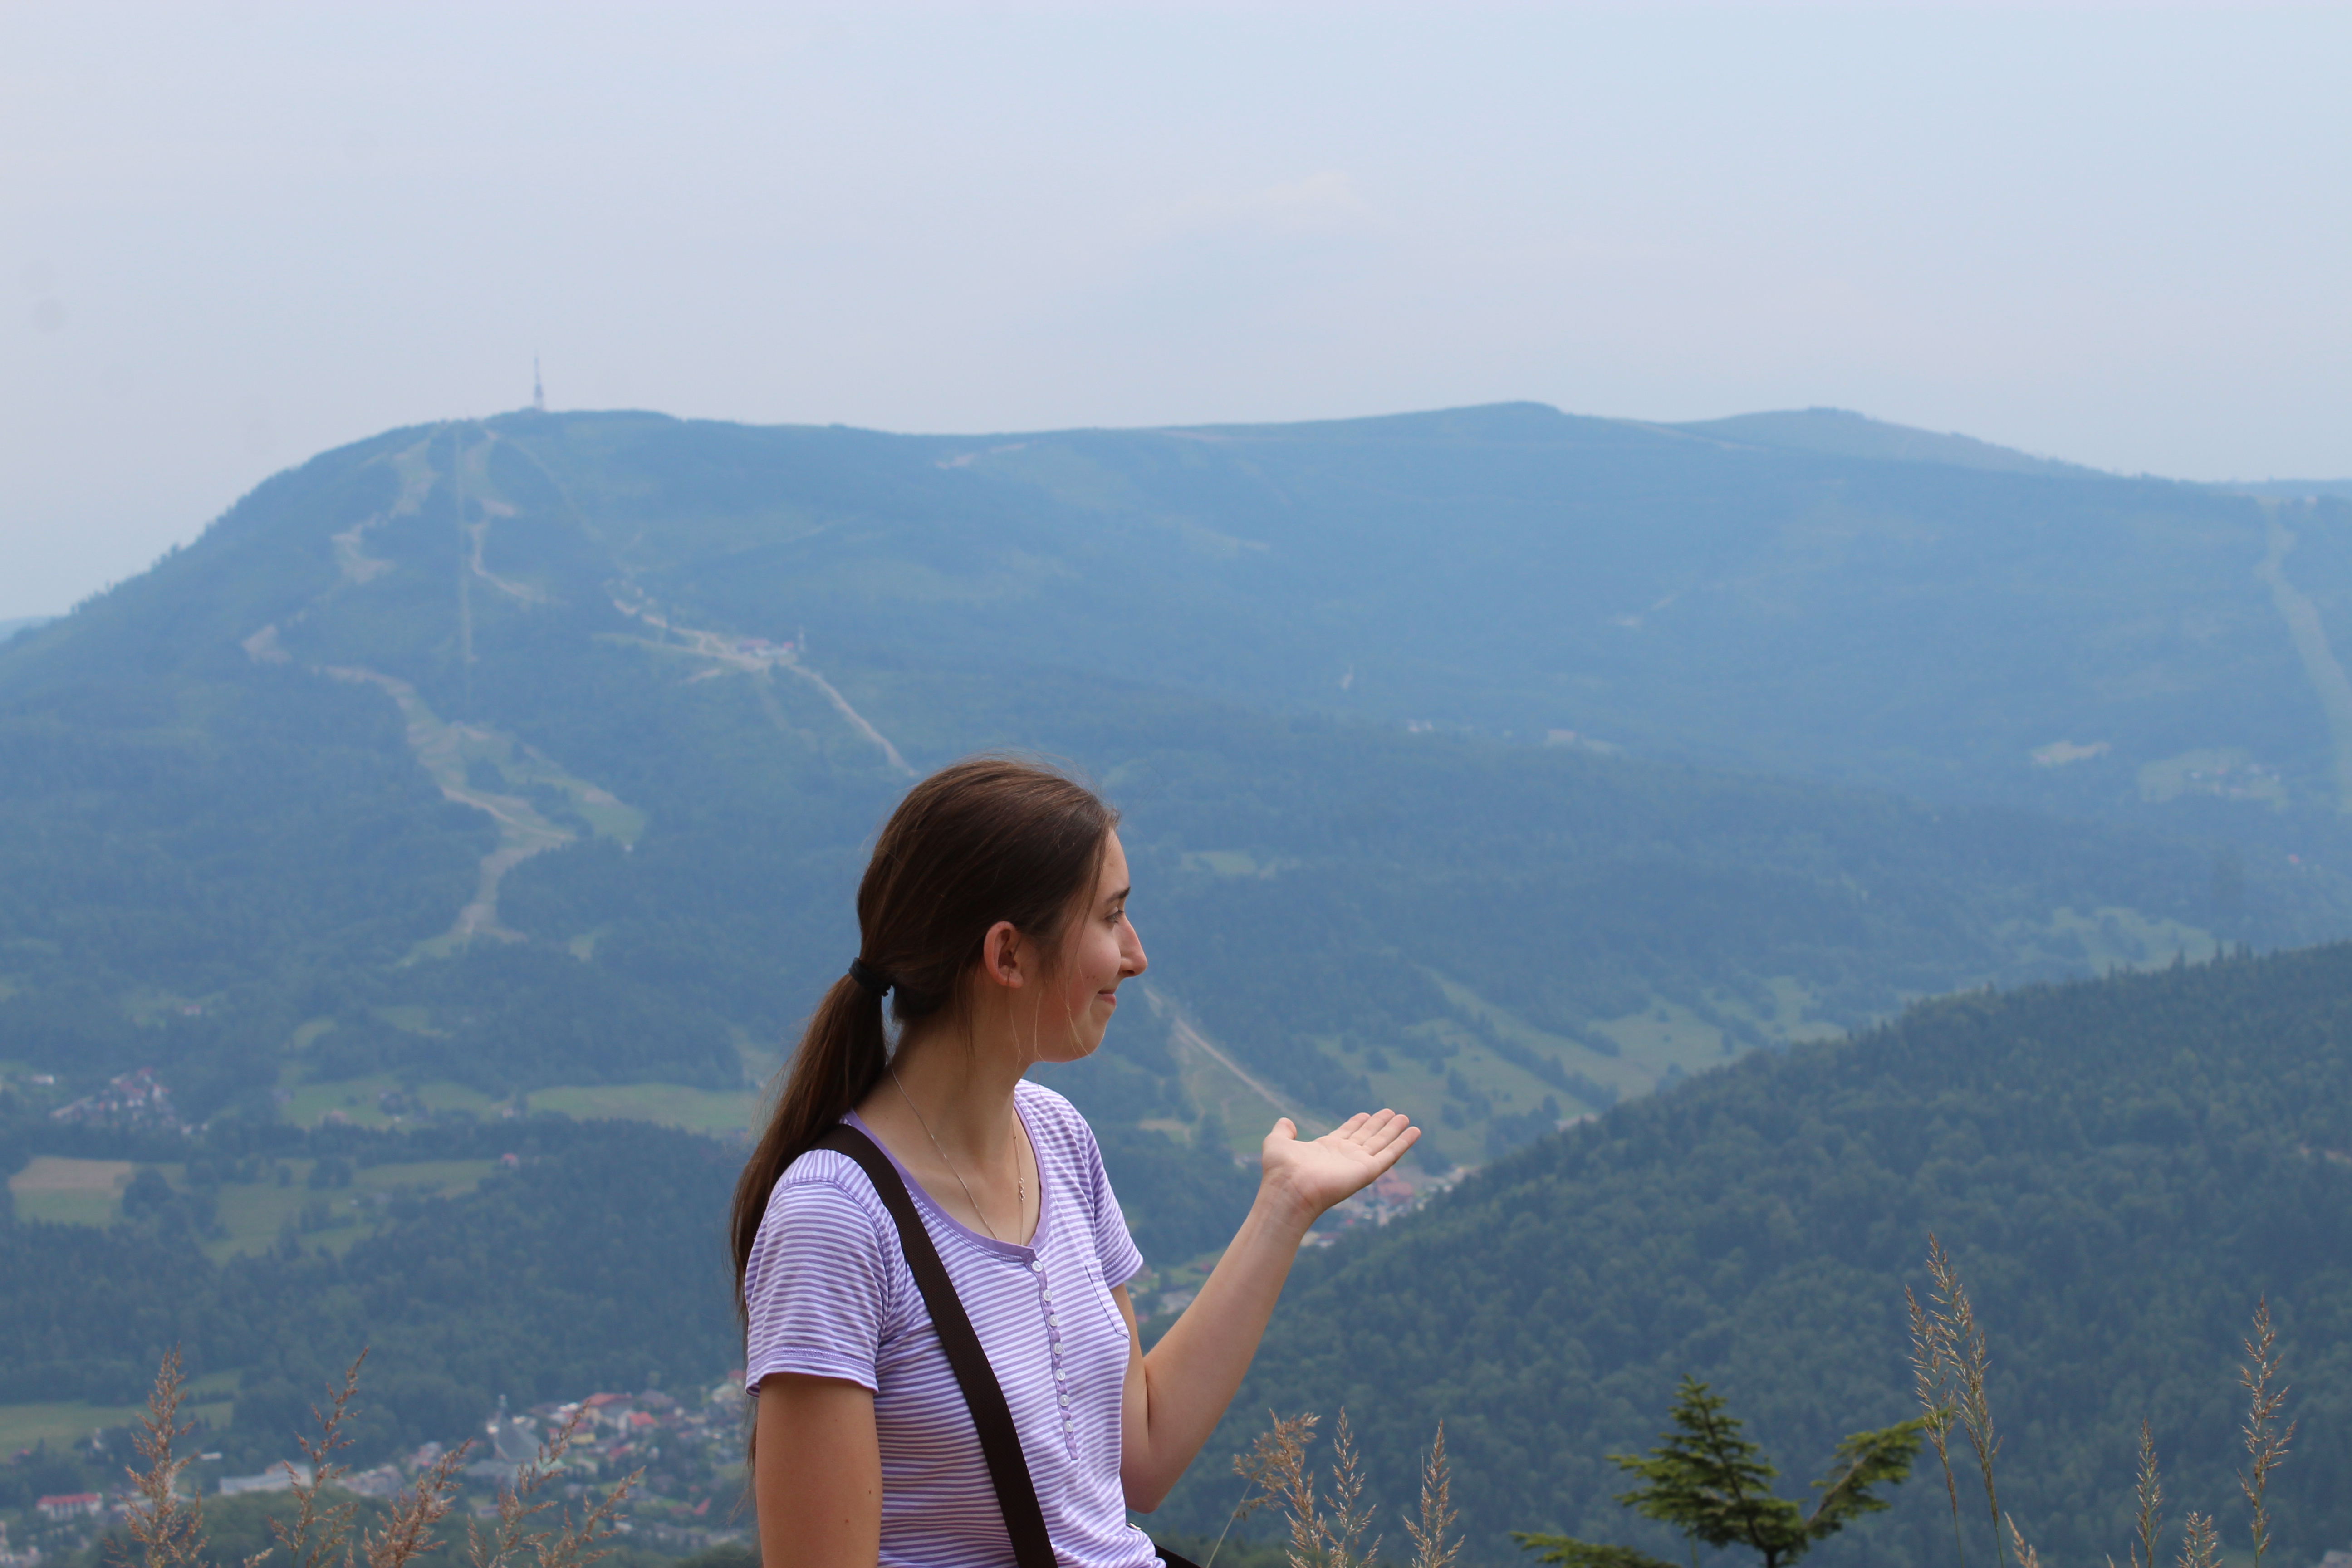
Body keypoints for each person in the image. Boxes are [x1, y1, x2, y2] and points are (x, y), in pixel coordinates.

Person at [731, 755, 1419, 1568]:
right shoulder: (834, 1220)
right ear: (1008, 955)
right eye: (1111, 917)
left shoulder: (1057, 1137)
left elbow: (1142, 1456)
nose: (1136, 954)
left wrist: (1284, 1207)